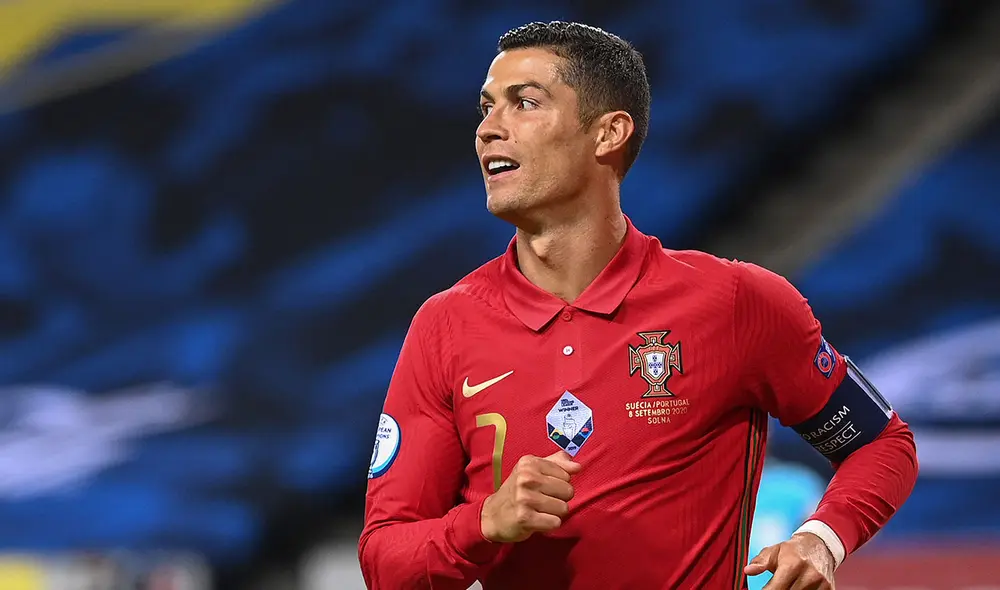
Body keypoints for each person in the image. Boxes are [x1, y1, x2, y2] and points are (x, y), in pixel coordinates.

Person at [358, 20, 918, 590]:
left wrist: (822, 540)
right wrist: (482, 524)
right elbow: (385, 560)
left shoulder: (734, 302)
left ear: (608, 134)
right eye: (485, 108)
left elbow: (883, 443)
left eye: (524, 103)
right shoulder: (446, 325)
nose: (488, 129)